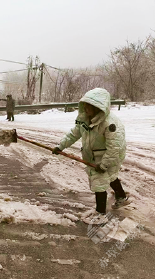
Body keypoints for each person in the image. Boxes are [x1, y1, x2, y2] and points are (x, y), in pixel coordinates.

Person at [52, 88, 130, 224]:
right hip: (94, 156)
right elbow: (74, 134)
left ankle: (101, 214)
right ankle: (121, 197)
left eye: (89, 106)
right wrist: (60, 146)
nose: (86, 108)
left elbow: (114, 148)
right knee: (110, 177)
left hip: (110, 156)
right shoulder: (84, 120)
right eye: (85, 105)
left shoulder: (110, 123)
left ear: (98, 107)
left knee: (99, 182)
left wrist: (104, 164)